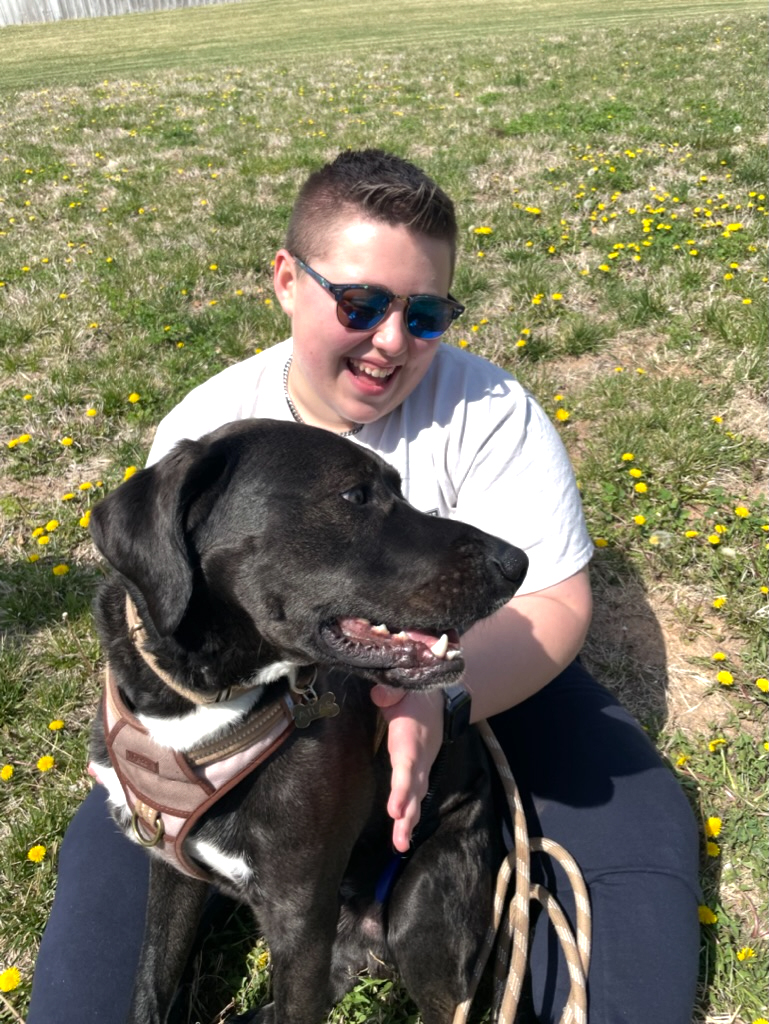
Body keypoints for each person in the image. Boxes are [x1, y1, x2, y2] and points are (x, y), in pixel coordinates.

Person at [28, 149, 700, 1023]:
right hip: (248, 708)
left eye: (425, 314)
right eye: (360, 303)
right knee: (84, 994)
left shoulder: (488, 409)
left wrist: (434, 705)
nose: (391, 339)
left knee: (636, 852)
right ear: (284, 278)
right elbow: (162, 611)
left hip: (476, 664)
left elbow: (555, 606)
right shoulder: (208, 435)